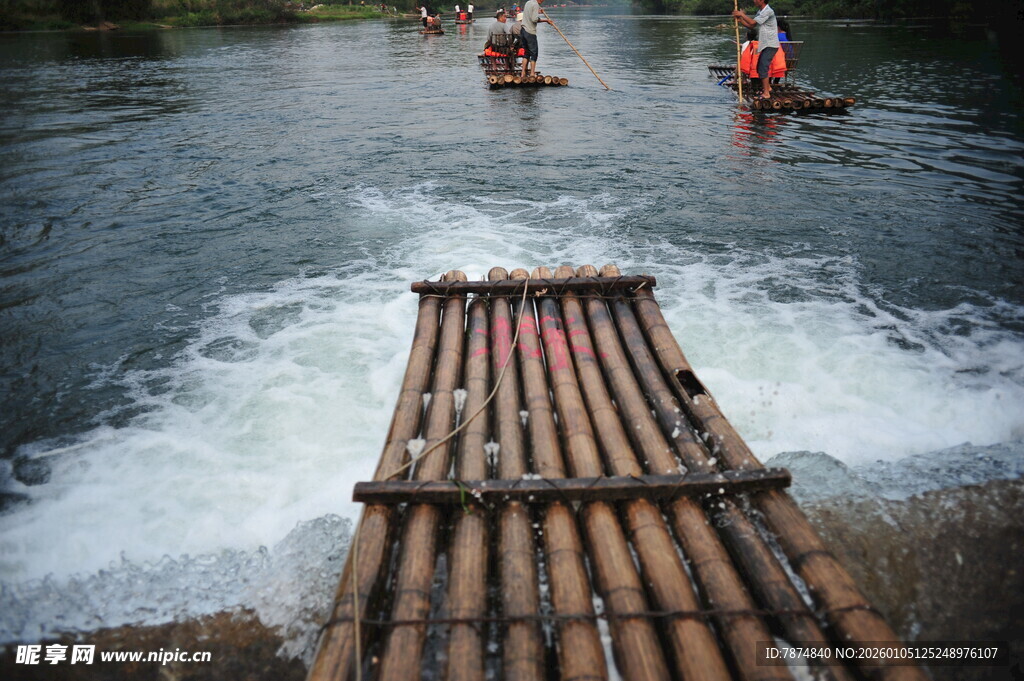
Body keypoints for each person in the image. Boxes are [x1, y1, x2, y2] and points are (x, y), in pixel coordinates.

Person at [732, 0, 780, 100]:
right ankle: (768, 88)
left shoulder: (768, 11)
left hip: (770, 44)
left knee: (763, 67)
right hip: (765, 44)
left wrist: (742, 14)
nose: (754, 1)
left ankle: (766, 93)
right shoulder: (760, 11)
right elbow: (751, 25)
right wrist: (741, 20)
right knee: (759, 67)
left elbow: (753, 22)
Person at [520, 0, 550, 78]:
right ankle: (532, 73)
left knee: (526, 53)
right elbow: (534, 19)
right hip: (530, 32)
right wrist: (546, 20)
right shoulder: (535, 4)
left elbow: (530, 14)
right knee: (534, 53)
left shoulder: (528, 2)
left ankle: (523, 73)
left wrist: (538, 12)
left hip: (523, 30)